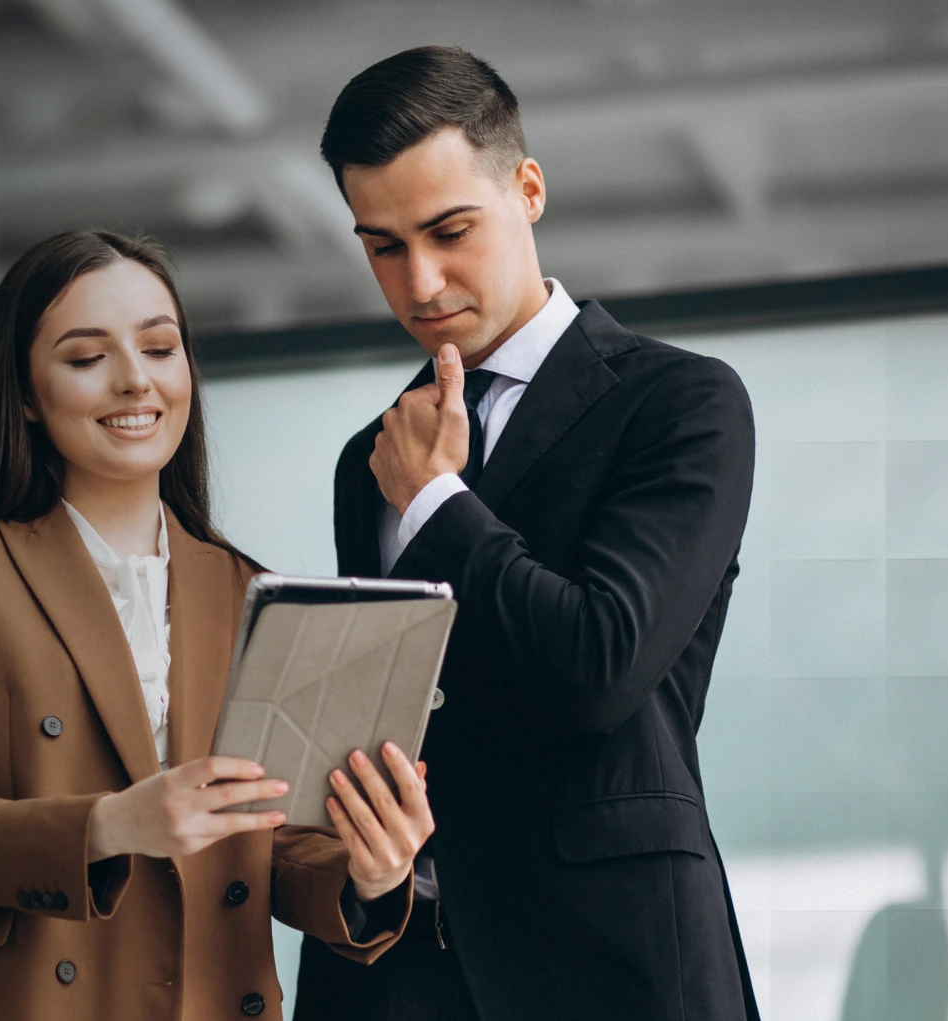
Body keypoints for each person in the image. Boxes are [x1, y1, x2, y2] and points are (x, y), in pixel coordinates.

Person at [293, 47, 761, 1021]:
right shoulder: (370, 458)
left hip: (610, 961)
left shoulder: (680, 403)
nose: (420, 282)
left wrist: (435, 504)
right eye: (382, 246)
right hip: (408, 971)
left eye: (449, 230)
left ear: (530, 189)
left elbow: (599, 663)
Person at [0, 229, 437, 1021]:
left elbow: (268, 831)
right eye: (85, 358)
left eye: (160, 348)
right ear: (26, 394)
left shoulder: (247, 587)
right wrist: (111, 823)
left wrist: (372, 871)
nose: (136, 382)